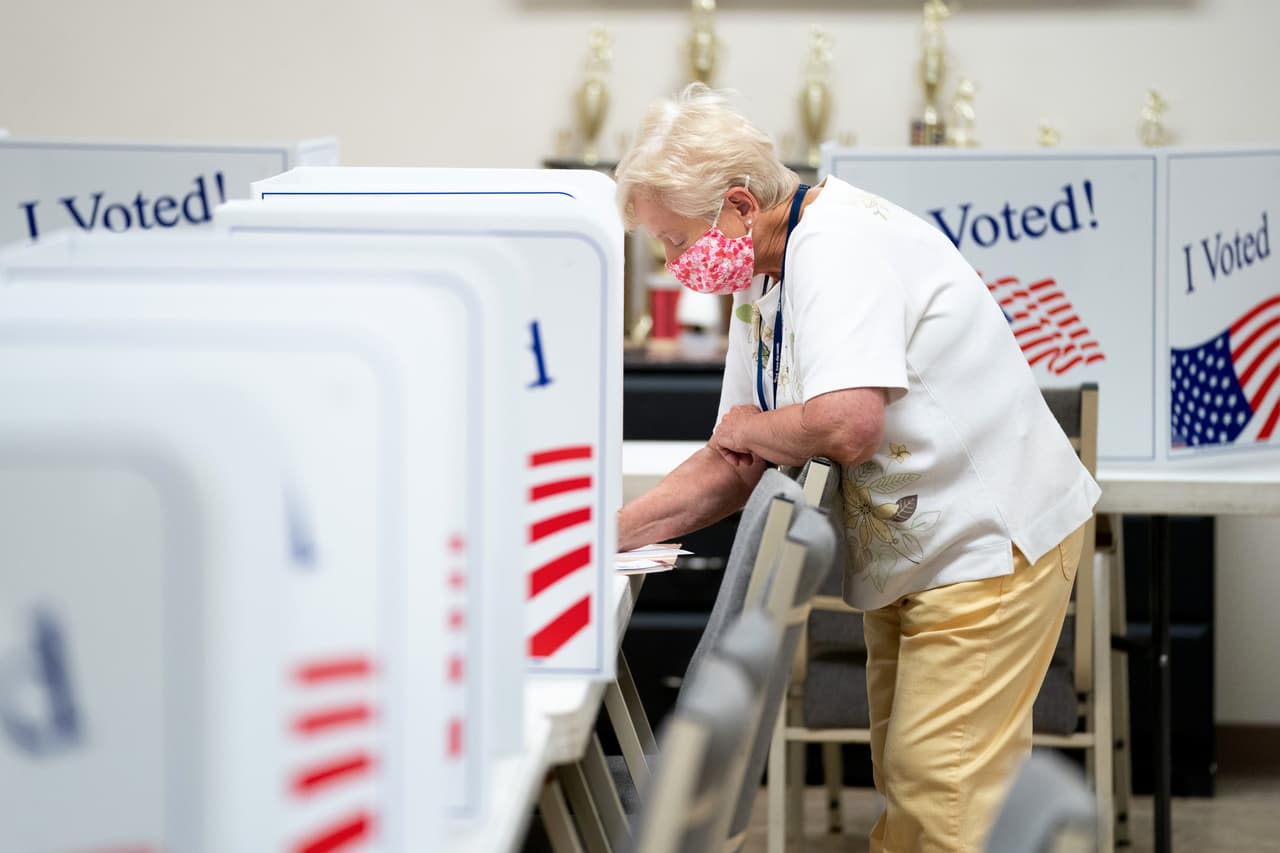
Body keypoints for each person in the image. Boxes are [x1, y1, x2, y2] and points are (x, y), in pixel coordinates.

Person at [613, 84, 1101, 852]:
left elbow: (847, 424)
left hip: (987, 543)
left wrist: (757, 427)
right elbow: (733, 461)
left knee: (944, 801)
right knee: (908, 786)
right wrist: (600, 537)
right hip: (919, 554)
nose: (675, 265)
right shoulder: (759, 281)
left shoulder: (833, 244)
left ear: (739, 206)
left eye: (676, 242)